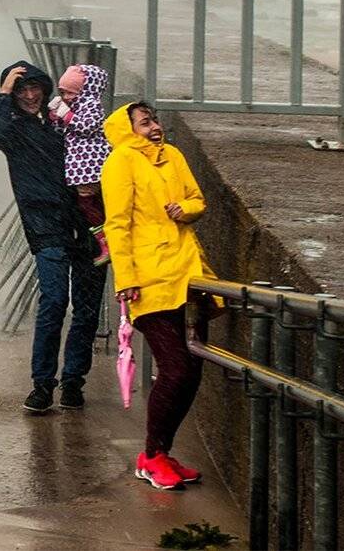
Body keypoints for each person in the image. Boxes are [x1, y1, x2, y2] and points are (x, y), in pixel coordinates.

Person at [100, 101, 216, 491]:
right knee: (176, 368)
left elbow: (198, 200)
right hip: (149, 280)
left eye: (155, 120)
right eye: (145, 122)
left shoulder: (174, 156)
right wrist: (125, 279)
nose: (154, 127)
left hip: (188, 275)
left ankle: (162, 453)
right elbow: (117, 225)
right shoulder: (120, 162)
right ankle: (150, 457)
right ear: (128, 129)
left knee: (193, 370)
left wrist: (185, 209)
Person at [0, 61, 106, 413]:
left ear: (45, 89)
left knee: (86, 307)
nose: (29, 95)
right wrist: (2, 92)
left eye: (34, 87)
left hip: (88, 223)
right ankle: (42, 384)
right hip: (45, 224)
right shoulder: (14, 132)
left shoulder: (61, 122)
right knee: (53, 300)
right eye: (21, 90)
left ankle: (73, 382)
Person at [47, 64, 113, 264]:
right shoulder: (76, 106)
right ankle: (106, 238)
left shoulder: (92, 105)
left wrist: (65, 114)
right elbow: (64, 131)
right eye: (63, 92)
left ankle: (106, 239)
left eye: (70, 92)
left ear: (83, 90)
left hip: (90, 164)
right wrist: (55, 118)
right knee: (89, 203)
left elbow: (86, 127)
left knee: (88, 202)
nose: (66, 97)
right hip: (80, 165)